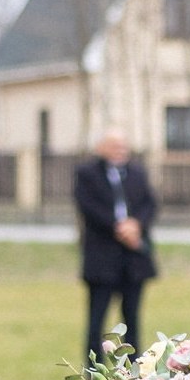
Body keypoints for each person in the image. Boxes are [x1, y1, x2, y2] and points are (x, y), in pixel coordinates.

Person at [74, 129, 158, 362]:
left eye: (123, 146)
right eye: (114, 146)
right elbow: (88, 206)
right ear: (101, 148)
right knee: (97, 319)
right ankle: (94, 369)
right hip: (102, 258)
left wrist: (136, 225)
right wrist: (118, 227)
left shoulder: (137, 173)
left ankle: (134, 367)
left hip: (133, 259)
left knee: (132, 319)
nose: (120, 150)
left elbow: (150, 203)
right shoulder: (87, 174)